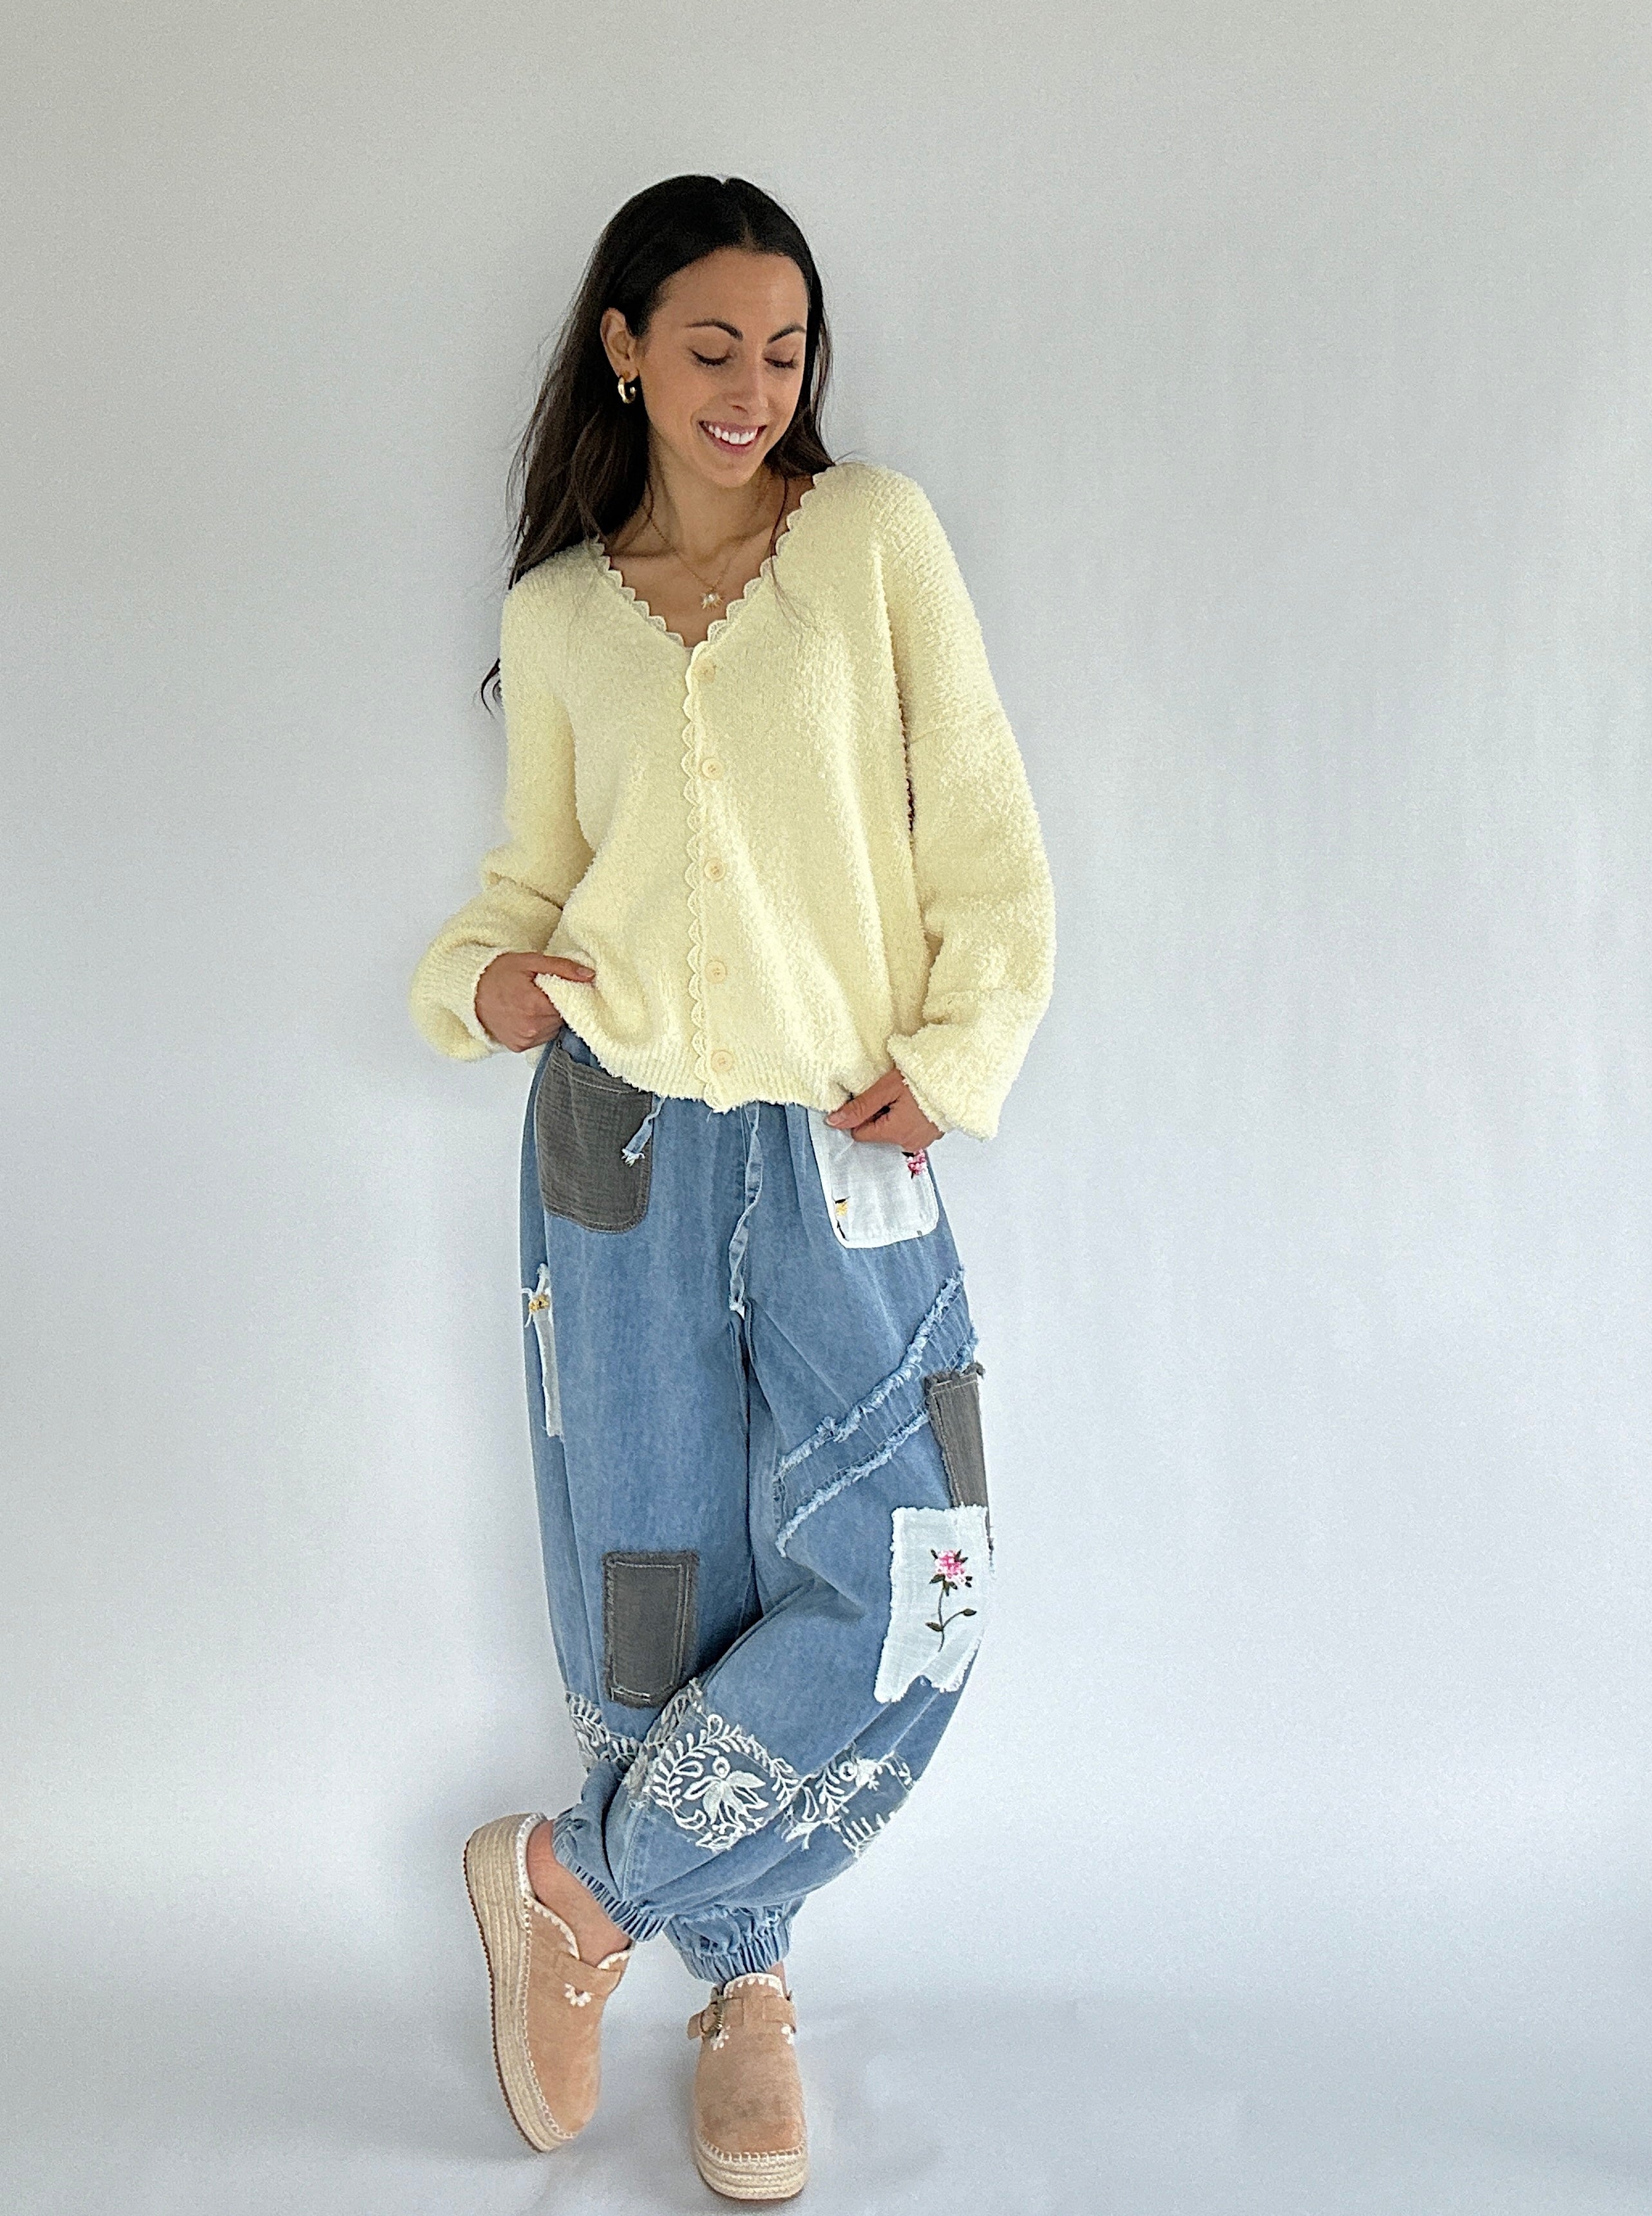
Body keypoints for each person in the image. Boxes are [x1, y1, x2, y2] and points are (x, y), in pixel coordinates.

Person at [410, 171, 1056, 2203]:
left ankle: (576, 1895)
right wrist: (480, 983)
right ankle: (741, 1984)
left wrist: (953, 1058)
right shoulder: (556, 616)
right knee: (654, 1582)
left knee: (910, 1593)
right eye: (710, 347)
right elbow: (528, 884)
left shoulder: (868, 541)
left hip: (844, 1122)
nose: (751, 391)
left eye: (784, 353)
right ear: (621, 343)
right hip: (611, 1133)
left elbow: (982, 829)